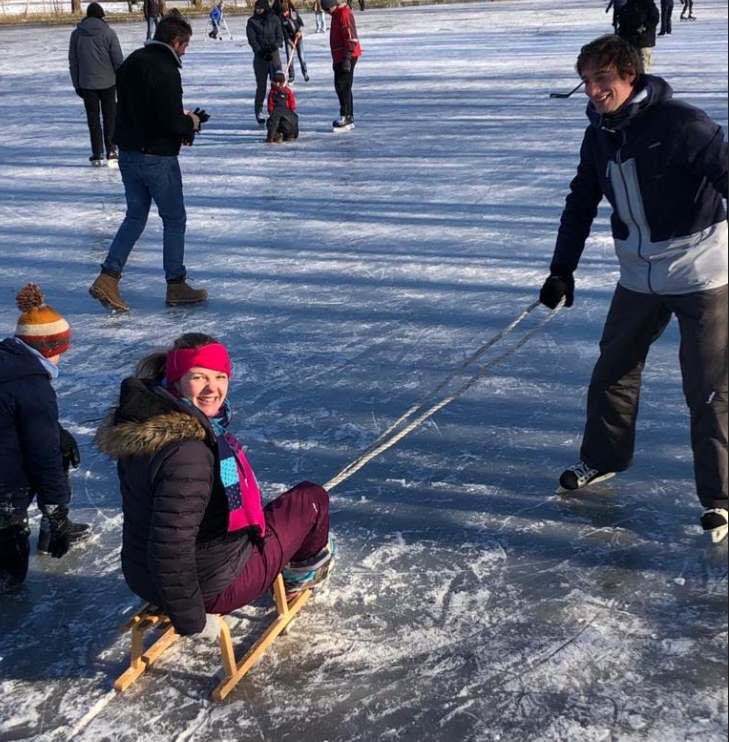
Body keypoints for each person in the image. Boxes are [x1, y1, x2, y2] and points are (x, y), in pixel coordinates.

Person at [539, 35, 728, 544]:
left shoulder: (682, 124)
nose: (594, 91)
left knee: (708, 389)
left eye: (603, 80)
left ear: (629, 75)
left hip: (701, 273)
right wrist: (562, 269)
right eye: (587, 81)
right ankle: (602, 460)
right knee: (612, 372)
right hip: (638, 277)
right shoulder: (600, 134)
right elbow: (581, 201)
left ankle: (721, 499)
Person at [95, 333, 334, 636]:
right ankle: (300, 574)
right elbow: (171, 547)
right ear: (177, 380)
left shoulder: (146, 425)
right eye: (199, 377)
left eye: (220, 376)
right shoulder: (189, 454)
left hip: (143, 577)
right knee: (310, 499)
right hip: (210, 587)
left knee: (265, 511)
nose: (213, 388)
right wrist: (193, 619)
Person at [88, 12, 208, 313]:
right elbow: (169, 120)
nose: (185, 52)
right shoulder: (166, 69)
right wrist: (190, 122)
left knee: (135, 216)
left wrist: (177, 124)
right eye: (185, 46)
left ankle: (108, 276)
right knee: (174, 219)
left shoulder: (132, 61)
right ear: (175, 40)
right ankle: (176, 285)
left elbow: (141, 110)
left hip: (129, 153)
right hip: (157, 159)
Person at [0, 284, 91, 585]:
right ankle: (44, 530)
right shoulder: (33, 388)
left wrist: (57, 431)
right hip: (5, 488)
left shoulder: (9, 361)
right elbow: (43, 455)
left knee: (59, 441)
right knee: (12, 577)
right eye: (60, 352)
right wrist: (57, 512)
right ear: (49, 350)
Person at [68, 2, 123, 167]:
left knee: (93, 119)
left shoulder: (76, 34)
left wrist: (77, 84)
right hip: (108, 82)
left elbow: (73, 62)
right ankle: (112, 150)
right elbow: (118, 60)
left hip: (87, 83)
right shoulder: (109, 33)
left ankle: (97, 152)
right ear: (101, 15)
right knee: (110, 117)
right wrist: (121, 81)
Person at [322, 0, 361, 131]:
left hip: (347, 55)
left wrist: (347, 57)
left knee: (343, 86)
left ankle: (346, 117)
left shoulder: (343, 13)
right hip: (339, 56)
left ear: (332, 5)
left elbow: (351, 36)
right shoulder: (336, 15)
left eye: (327, 10)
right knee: (342, 86)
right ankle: (348, 116)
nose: (327, 13)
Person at [247, 0, 284, 126]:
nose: (258, 10)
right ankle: (259, 111)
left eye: (260, 8)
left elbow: (280, 37)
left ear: (265, 8)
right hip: (260, 58)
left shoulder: (275, 19)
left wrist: (273, 47)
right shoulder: (252, 22)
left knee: (278, 84)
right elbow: (252, 40)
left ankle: (279, 109)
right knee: (261, 86)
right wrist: (261, 51)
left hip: (274, 57)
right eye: (256, 8)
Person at [614, 0, 659, 73]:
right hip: (631, 42)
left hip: (644, 41)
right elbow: (623, 23)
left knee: (644, 67)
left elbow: (654, 18)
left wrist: (645, 27)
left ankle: (644, 82)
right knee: (632, 68)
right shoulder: (627, 5)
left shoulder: (648, 3)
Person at [277, 0, 309, 83]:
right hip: (289, 39)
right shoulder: (281, 18)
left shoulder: (294, 14)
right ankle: (291, 76)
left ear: (288, 10)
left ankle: (305, 73)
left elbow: (301, 24)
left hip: (298, 37)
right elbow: (285, 33)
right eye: (283, 12)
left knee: (301, 57)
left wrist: (299, 31)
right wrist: (291, 44)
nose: (284, 14)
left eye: (286, 12)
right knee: (290, 58)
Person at [266, 70, 298, 143]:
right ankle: (283, 135)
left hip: (284, 115)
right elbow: (270, 105)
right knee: (274, 121)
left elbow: (292, 103)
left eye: (277, 82)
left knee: (271, 122)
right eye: (274, 82)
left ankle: (280, 135)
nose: (275, 83)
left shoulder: (287, 91)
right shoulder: (272, 92)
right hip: (281, 116)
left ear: (281, 82)